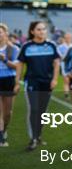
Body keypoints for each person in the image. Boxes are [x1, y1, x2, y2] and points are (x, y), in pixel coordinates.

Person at [15, 21, 60, 151]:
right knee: (34, 109)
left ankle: (38, 135)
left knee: (42, 112)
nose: (42, 32)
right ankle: (33, 138)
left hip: (47, 83)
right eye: (39, 29)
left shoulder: (51, 45)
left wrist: (55, 79)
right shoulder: (27, 46)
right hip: (32, 82)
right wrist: (17, 81)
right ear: (32, 31)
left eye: (44, 29)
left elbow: (56, 62)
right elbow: (20, 64)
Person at [0, 23, 19, 147]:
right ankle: (1, 137)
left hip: (9, 80)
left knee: (8, 113)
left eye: (0, 32)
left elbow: (17, 66)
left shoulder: (14, 49)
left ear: (6, 34)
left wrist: (4, 59)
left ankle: (4, 130)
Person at [57, 32, 72, 98]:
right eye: (67, 37)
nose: (69, 39)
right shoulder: (60, 47)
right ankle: (66, 95)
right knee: (66, 81)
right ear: (64, 38)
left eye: (70, 37)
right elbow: (61, 57)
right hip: (65, 66)